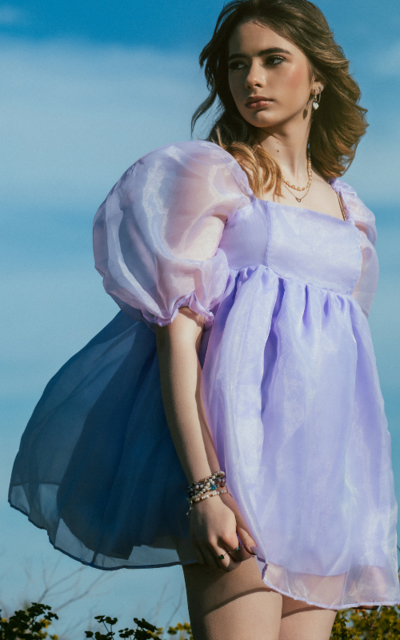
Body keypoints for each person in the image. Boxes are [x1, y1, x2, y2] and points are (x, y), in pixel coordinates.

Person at [9, 0, 400, 638]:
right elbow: (178, 342)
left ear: (318, 77)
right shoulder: (213, 179)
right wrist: (206, 490)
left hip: (323, 486)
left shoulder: (350, 215)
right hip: (237, 469)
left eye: (275, 60)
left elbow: (340, 366)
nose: (253, 79)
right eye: (238, 64)